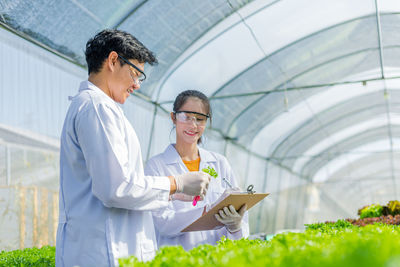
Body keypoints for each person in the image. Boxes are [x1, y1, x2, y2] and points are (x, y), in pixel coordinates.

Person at [56, 29, 211, 267]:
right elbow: (117, 187)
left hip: (107, 250)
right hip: (103, 253)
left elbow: (119, 183)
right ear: (113, 60)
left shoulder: (98, 108)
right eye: (135, 74)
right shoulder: (97, 108)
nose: (137, 85)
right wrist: (176, 183)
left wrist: (172, 193)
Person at [144, 90, 249, 251]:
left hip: (216, 258)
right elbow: (163, 223)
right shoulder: (156, 166)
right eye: (186, 117)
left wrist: (235, 227)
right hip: (179, 258)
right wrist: (207, 212)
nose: (193, 125)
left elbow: (243, 218)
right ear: (173, 118)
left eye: (200, 119)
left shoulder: (219, 163)